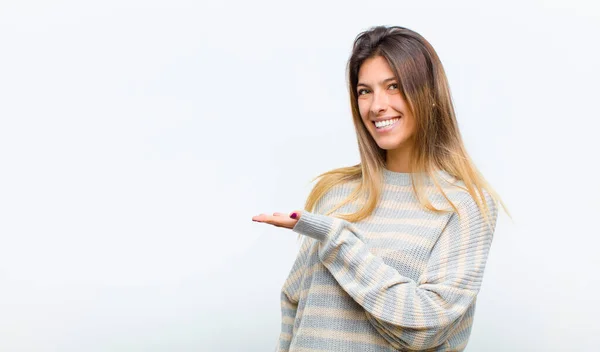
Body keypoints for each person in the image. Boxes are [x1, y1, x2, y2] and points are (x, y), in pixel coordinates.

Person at [252, 25, 507, 352]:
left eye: (394, 87)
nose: (377, 106)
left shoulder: (466, 205)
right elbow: (294, 304)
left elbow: (423, 329)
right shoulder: (335, 192)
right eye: (365, 91)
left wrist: (337, 239)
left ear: (429, 96)